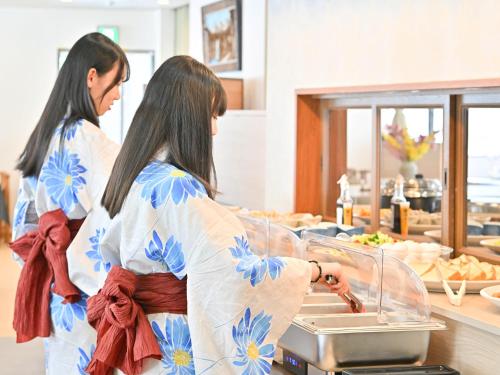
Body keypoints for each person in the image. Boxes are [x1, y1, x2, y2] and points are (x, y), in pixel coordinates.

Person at [67, 55, 349, 374]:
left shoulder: (136, 172)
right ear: (188, 118)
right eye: (211, 116)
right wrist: (314, 269)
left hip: (145, 336)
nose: (214, 129)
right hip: (171, 349)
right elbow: (237, 277)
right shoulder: (176, 187)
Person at [10, 32, 129, 373]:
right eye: (116, 82)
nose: (118, 94)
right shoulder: (91, 140)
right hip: (85, 286)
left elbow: (26, 222)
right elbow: (120, 214)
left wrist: (53, 265)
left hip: (57, 284)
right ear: (92, 77)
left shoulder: (46, 133)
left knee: (62, 362)